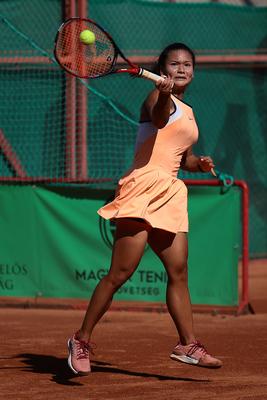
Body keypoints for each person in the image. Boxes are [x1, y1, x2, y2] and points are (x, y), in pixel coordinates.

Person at [67, 43, 223, 375]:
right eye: (174, 64)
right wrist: (163, 93)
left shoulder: (189, 109)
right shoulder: (155, 98)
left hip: (171, 191)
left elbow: (183, 157)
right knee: (120, 273)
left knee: (178, 272)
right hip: (143, 189)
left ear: (193, 71)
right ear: (163, 69)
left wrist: (198, 164)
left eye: (187, 65)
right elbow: (158, 118)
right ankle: (80, 340)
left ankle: (187, 344)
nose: (182, 69)